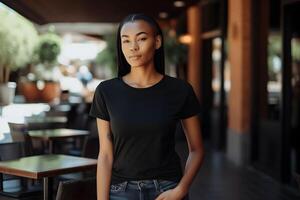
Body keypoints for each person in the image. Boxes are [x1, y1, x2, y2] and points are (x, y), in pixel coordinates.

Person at [89, 13, 204, 200]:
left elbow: (197, 149)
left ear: (157, 41)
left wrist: (181, 190)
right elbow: (105, 156)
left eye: (141, 39)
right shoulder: (106, 91)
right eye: (125, 41)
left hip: (168, 189)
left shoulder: (180, 90)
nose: (133, 47)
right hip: (121, 191)